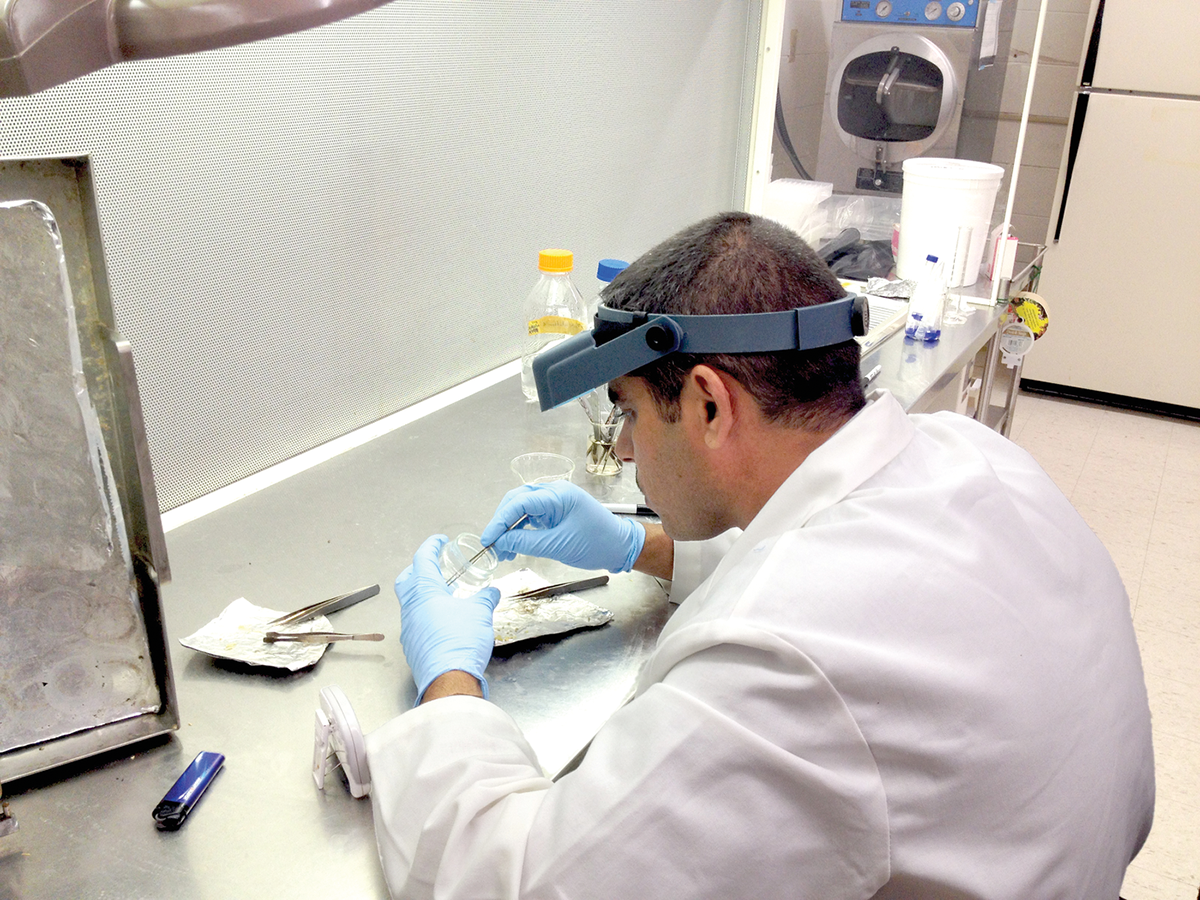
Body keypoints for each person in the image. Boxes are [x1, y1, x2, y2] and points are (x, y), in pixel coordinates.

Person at [369, 212, 1154, 899]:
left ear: (710, 404)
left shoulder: (785, 661)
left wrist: (449, 681)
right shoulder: (975, 456)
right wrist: (638, 544)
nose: (629, 450)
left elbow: (514, 883)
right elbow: (831, 558)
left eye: (630, 413)